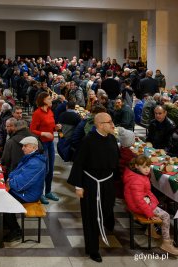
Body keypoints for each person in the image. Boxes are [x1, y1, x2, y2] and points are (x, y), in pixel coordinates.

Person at [67, 112, 119, 262]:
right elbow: (79, 163)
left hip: (107, 181)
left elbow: (115, 160)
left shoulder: (112, 139)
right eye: (109, 122)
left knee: (108, 208)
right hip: (91, 182)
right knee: (90, 217)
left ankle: (106, 227)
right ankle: (93, 249)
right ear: (100, 125)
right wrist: (78, 186)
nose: (112, 125)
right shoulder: (88, 141)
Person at [123, 155, 178, 255]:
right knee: (166, 216)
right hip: (138, 206)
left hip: (141, 202)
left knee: (158, 205)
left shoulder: (137, 175)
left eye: (148, 166)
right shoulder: (137, 180)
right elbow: (139, 201)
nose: (147, 169)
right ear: (136, 166)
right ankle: (166, 243)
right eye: (144, 167)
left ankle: (152, 230)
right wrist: (150, 214)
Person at [3, 136, 47, 242]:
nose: (22, 148)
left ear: (34, 147)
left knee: (4, 201)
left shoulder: (35, 164)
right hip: (25, 190)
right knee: (2, 195)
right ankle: (4, 220)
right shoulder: (30, 158)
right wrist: (11, 179)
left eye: (25, 146)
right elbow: (15, 172)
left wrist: (10, 182)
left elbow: (21, 184)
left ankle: (16, 231)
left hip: (28, 194)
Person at [30, 91, 59, 204]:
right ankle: (39, 193)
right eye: (49, 99)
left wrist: (55, 128)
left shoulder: (50, 111)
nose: (51, 100)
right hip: (42, 144)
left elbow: (51, 127)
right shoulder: (37, 113)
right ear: (43, 101)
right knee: (44, 170)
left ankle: (48, 191)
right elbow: (32, 130)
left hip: (50, 143)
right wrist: (43, 133)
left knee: (50, 169)